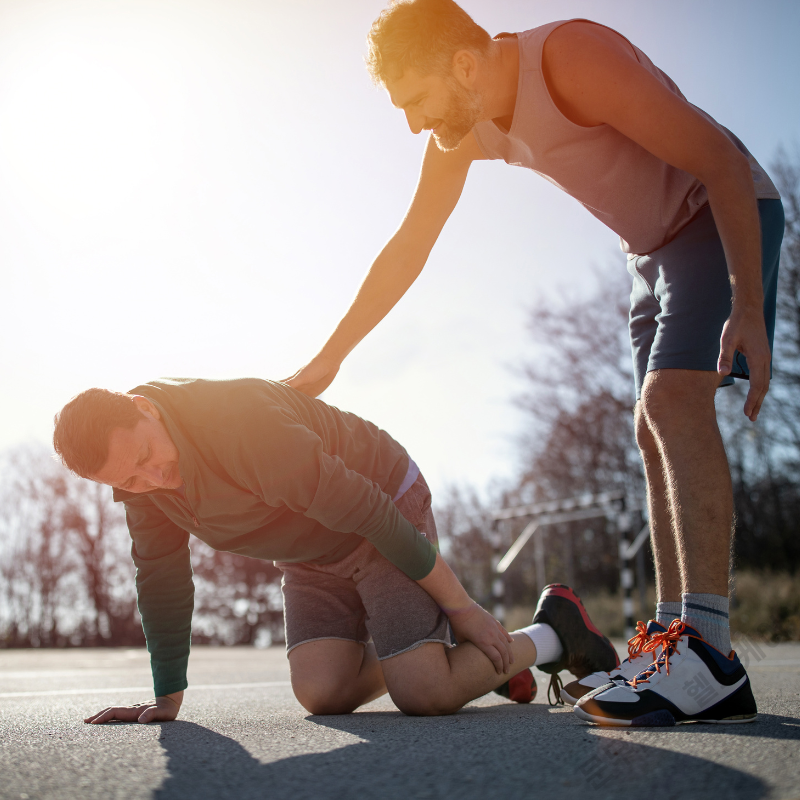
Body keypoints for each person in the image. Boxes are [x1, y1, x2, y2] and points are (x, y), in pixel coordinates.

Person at [284, 0, 782, 725]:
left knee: (672, 402)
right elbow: (409, 247)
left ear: (463, 65)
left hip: (718, 214)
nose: (415, 124)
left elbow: (721, 160)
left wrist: (750, 304)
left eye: (416, 101)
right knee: (651, 429)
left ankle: (710, 654)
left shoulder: (570, 59)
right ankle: (672, 642)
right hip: (650, 253)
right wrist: (330, 357)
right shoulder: (465, 129)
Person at [52, 377, 617, 723]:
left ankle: (556, 631)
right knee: (321, 693)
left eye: (146, 456)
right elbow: (161, 577)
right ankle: (447, 653)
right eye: (130, 480)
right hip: (310, 551)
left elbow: (372, 514)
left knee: (425, 693)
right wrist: (167, 696)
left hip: (381, 509)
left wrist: (462, 609)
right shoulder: (142, 488)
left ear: (145, 408)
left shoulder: (241, 426)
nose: (154, 478)